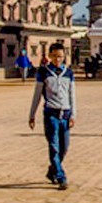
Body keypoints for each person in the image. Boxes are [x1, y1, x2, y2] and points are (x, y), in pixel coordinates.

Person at [27, 44, 77, 190]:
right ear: (49, 56)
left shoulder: (68, 73)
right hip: (51, 114)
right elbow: (37, 95)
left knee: (64, 147)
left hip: (65, 114)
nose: (57, 59)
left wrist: (73, 114)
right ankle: (61, 177)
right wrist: (32, 115)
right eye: (54, 56)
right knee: (54, 146)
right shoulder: (44, 72)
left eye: (60, 56)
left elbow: (71, 94)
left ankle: (52, 170)